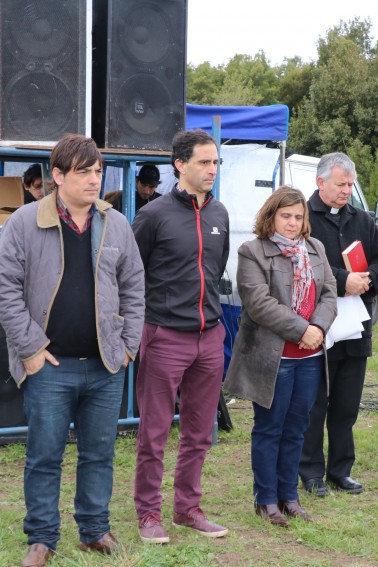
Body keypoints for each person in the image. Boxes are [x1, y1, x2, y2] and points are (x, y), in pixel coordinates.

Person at [0, 134, 145, 567]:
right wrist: (32, 349)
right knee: (44, 455)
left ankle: (94, 531)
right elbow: (4, 291)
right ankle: (41, 538)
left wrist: (128, 345)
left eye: (97, 171)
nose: (94, 180)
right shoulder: (24, 222)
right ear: (57, 176)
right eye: (83, 172)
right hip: (48, 366)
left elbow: (134, 287)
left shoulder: (116, 223)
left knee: (99, 452)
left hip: (105, 365)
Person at [131, 129, 229, 543]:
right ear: (180, 165)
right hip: (164, 335)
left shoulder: (220, 214)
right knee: (154, 431)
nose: (212, 169)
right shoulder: (153, 215)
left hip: (209, 336)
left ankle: (187, 508)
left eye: (215, 162)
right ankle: (148, 513)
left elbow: (216, 270)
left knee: (199, 431)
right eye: (204, 162)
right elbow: (131, 275)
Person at [223, 186, 337, 527]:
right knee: (270, 428)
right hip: (273, 358)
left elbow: (329, 292)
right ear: (270, 216)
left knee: (297, 429)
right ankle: (266, 499)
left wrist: (317, 326)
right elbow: (258, 304)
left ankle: (290, 496)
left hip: (310, 357)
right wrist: (302, 329)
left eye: (298, 217)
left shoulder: (315, 248)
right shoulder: (252, 251)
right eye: (285, 216)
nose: (292, 223)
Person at [299, 152, 378, 497]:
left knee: (347, 403)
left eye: (350, 185)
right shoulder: (303, 217)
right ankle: (310, 472)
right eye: (341, 184)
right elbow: (300, 265)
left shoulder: (362, 220)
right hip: (317, 325)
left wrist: (368, 279)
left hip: (356, 326)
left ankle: (341, 470)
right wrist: (342, 280)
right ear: (320, 181)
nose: (346, 191)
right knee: (314, 402)